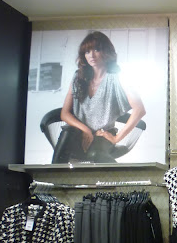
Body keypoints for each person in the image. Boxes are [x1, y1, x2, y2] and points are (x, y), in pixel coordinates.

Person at [55, 31, 146, 163]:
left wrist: (116, 138)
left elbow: (139, 110)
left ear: (107, 52)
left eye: (96, 50)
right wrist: (86, 130)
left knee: (95, 155)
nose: (91, 55)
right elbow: (65, 113)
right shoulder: (78, 77)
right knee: (64, 141)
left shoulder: (117, 77)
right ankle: (53, 177)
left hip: (102, 134)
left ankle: (119, 175)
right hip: (79, 133)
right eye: (87, 51)